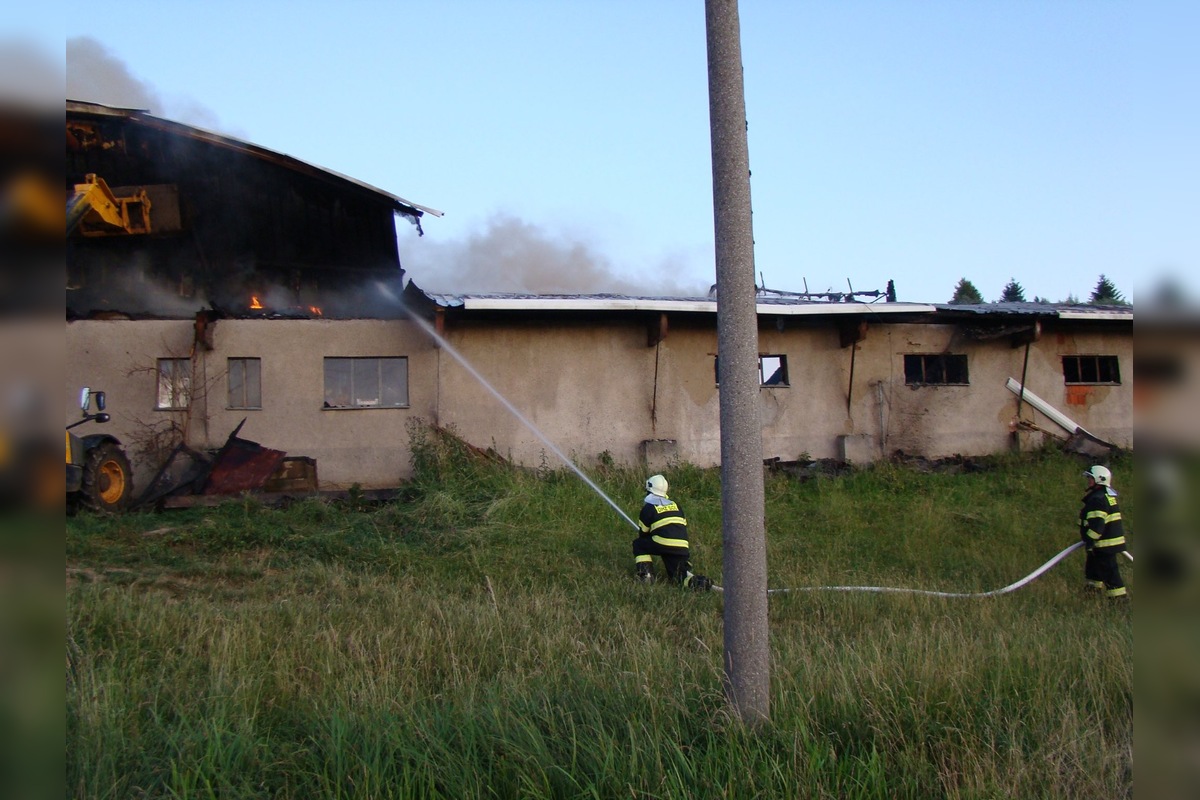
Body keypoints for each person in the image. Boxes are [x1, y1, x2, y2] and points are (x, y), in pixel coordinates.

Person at [632, 474, 712, 591]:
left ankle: (646, 576)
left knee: (639, 544)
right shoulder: (676, 505)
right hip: (681, 547)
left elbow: (643, 534)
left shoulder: (649, 508)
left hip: (662, 544)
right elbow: (681, 526)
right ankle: (697, 583)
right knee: (678, 577)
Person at [1080, 464, 1128, 599]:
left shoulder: (1097, 499)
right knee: (1093, 572)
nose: (1088, 481)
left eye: (1090, 478)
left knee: (1111, 575)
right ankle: (1091, 597)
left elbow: (1097, 527)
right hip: (1102, 545)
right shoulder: (1106, 495)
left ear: (1099, 479)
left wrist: (1089, 540)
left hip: (1104, 546)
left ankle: (1119, 602)